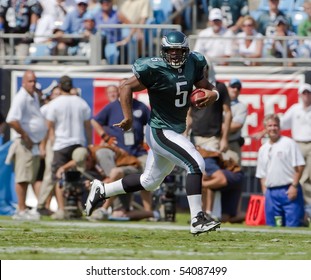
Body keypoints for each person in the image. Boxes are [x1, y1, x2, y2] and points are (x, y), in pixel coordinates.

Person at [85, 30, 221, 235]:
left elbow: (207, 87)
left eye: (178, 51)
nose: (174, 55)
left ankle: (102, 190)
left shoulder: (194, 62)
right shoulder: (154, 67)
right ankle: (197, 219)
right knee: (195, 163)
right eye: (170, 51)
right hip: (160, 131)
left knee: (150, 182)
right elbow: (125, 87)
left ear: (186, 51)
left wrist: (214, 94)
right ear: (163, 51)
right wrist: (128, 117)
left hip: (175, 130)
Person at [89, 79, 152, 220]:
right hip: (119, 152)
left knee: (149, 173)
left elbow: (152, 124)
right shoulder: (112, 107)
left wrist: (148, 142)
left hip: (137, 152)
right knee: (106, 159)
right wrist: (105, 137)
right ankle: (115, 207)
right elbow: (94, 120)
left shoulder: (141, 107)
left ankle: (149, 212)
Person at [46, 75, 92, 219]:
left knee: (59, 177)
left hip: (61, 144)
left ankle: (61, 209)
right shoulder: (81, 103)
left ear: (60, 86)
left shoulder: (54, 103)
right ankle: (77, 208)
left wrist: (53, 143)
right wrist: (88, 144)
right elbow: (87, 126)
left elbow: (50, 127)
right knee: (77, 177)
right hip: (78, 143)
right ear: (71, 86)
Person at [5, 70, 47, 220]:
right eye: (30, 81)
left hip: (33, 143)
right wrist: (26, 136)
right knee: (22, 178)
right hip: (24, 143)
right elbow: (12, 119)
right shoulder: (21, 97)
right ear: (23, 82)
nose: (33, 84)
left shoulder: (34, 95)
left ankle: (25, 208)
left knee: (29, 177)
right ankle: (21, 209)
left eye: (34, 81)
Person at [255, 114, 305, 227]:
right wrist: (265, 193)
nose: (273, 128)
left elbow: (299, 166)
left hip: (288, 189)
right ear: (265, 128)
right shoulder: (263, 149)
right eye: (270, 126)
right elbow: (262, 174)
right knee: (272, 227)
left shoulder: (289, 143)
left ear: (279, 127)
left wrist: (294, 186)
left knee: (293, 227)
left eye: (275, 125)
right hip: (271, 192)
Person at [198, 148, 244, 223]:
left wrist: (203, 184)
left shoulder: (207, 161)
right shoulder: (206, 158)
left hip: (233, 176)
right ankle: (207, 214)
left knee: (208, 183)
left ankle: (207, 213)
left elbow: (222, 180)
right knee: (226, 218)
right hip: (235, 177)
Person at [227, 78, 247, 165]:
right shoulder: (218, 103)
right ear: (228, 88)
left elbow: (236, 126)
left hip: (232, 145)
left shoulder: (241, 106)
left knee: (233, 176)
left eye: (238, 88)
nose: (235, 89)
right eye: (233, 86)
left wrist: (216, 129)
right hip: (215, 144)